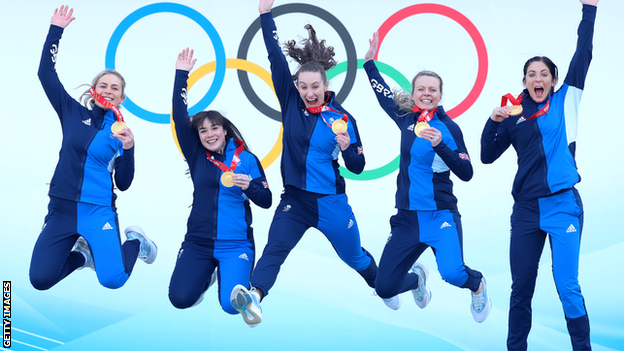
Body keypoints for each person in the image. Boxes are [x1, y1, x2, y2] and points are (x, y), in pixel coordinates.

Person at [230, 0, 377, 327]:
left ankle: (393, 284)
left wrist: (348, 147)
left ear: (325, 86)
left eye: (315, 87)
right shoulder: (290, 101)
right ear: (296, 87)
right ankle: (254, 296)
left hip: (330, 204)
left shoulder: (342, 119)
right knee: (276, 247)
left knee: (357, 259)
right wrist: (265, 16)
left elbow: (357, 166)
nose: (309, 92)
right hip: (294, 200)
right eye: (303, 86)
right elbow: (275, 58)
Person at [480, 1, 598, 349]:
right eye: (531, 74)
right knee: (521, 288)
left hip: (563, 205)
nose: (538, 79)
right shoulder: (514, 115)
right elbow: (487, 156)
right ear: (524, 81)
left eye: (544, 74)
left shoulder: (566, 100)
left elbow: (584, 52)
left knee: (567, 286)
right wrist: (494, 120)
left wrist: (589, 10)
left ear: (554, 79)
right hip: (527, 211)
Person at [362, 31, 491, 323]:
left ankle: (478, 284)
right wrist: (370, 63)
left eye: (432, 90)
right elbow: (383, 95)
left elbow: (466, 173)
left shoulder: (449, 128)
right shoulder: (407, 119)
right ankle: (417, 280)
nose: (426, 94)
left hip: (440, 214)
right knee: (383, 287)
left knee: (453, 274)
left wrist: (440, 146)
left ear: (441, 95)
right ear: (415, 92)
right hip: (407, 218)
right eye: (421, 89)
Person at [30, 5, 157, 291]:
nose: (108, 90)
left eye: (115, 88)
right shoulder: (72, 112)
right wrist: (56, 30)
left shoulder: (121, 132)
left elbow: (123, 184)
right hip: (61, 207)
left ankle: (137, 242)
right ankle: (83, 256)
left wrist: (130, 149)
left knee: (113, 279)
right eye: (103, 85)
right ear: (93, 90)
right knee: (40, 279)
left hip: (98, 211)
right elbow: (45, 74)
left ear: (122, 97)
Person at [168, 48, 272, 315]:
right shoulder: (196, 155)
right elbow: (180, 118)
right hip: (198, 242)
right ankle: (208, 276)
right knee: (180, 299)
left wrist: (249, 186)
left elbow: (266, 200)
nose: (209, 134)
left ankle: (230, 280)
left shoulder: (247, 159)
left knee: (230, 306)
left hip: (236, 243)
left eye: (215, 128)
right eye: (203, 131)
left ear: (225, 130)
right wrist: (181, 76)